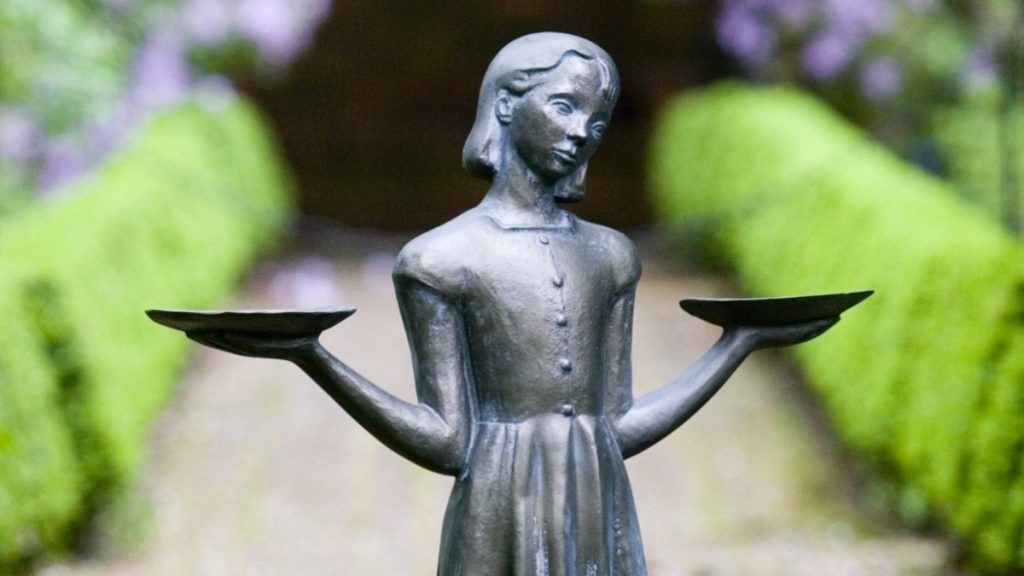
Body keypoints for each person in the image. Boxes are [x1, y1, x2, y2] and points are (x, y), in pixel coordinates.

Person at [195, 32, 835, 576]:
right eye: (563, 107)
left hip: (597, 497)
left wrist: (738, 344)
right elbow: (448, 442)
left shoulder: (612, 258)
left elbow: (616, 426)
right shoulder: (439, 261)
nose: (582, 133)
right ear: (505, 104)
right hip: (497, 509)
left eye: (598, 121)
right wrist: (313, 357)